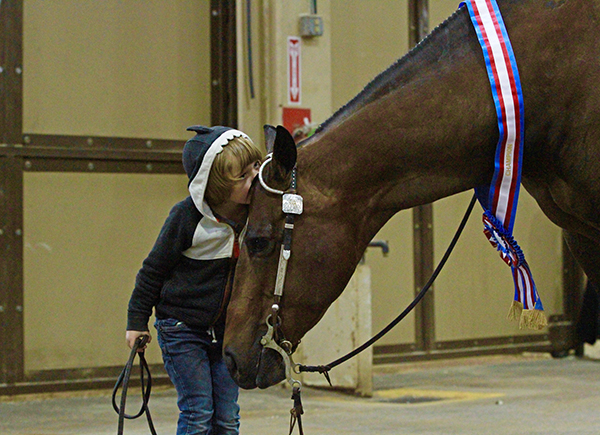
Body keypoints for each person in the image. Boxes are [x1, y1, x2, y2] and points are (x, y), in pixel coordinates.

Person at [125, 125, 264, 435]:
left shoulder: (257, 215)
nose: (254, 178)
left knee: (227, 416)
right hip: (182, 329)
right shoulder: (186, 218)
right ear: (215, 186)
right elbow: (152, 272)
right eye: (243, 176)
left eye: (256, 166)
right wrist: (137, 322)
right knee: (198, 410)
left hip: (227, 330)